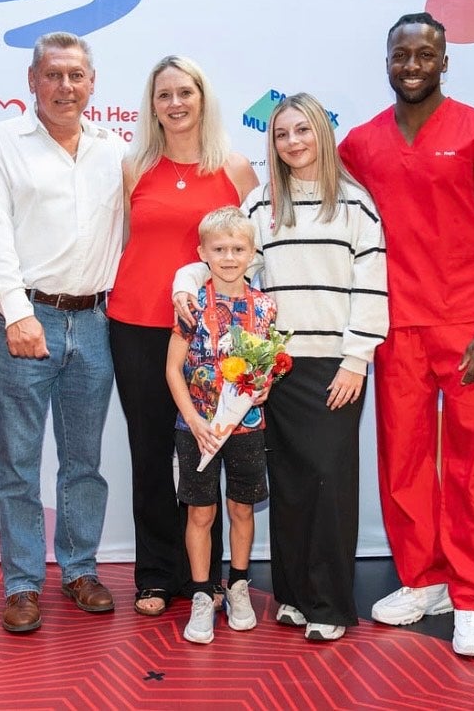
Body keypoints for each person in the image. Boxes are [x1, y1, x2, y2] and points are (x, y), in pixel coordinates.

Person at [337, 11, 474, 657]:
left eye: (424, 55)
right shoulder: (360, 143)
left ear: (445, 62)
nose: (412, 65)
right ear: (387, 62)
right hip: (395, 327)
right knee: (404, 462)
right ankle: (425, 579)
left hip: (469, 325)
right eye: (401, 55)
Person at [175, 93, 388, 641]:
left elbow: (372, 286)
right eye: (281, 134)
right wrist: (183, 283)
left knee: (328, 483)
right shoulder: (261, 204)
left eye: (303, 130)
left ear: (322, 133)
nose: (293, 142)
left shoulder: (356, 204)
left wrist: (357, 360)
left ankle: (329, 606)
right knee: (289, 484)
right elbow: (225, 260)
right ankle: (292, 596)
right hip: (272, 368)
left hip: (334, 366)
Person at [0, 32, 125, 633]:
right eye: (53, 75)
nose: (65, 86)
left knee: (84, 461)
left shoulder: (115, 150)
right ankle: (23, 583)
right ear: (31, 82)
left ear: (92, 83)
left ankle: (80, 570)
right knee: (18, 461)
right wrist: (16, 312)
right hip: (25, 319)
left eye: (76, 75)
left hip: (96, 322)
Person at [107, 56, 258, 617]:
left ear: (203, 97)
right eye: (164, 94)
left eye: (185, 92)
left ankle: (204, 578)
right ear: (152, 106)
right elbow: (127, 242)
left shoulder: (235, 169)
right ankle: (154, 575)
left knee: (206, 451)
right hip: (136, 326)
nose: (175, 103)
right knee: (149, 451)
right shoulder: (134, 167)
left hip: (211, 340)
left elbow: (250, 253)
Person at [165, 206, 277, 644]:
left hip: (246, 428)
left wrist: (264, 386)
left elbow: (267, 365)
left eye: (238, 249)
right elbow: (173, 370)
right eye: (219, 249)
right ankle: (201, 594)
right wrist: (193, 420)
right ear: (202, 253)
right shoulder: (190, 303)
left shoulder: (265, 307)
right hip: (196, 429)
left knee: (241, 509)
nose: (229, 257)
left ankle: (239, 586)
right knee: (201, 512)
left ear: (252, 253)